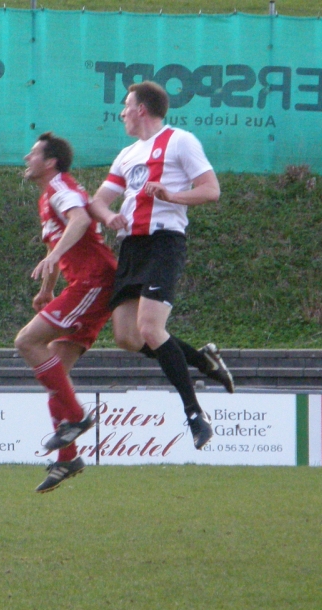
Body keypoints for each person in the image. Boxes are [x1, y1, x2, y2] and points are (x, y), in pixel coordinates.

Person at [89, 81, 234, 451]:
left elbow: (211, 190)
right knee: (127, 337)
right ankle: (202, 360)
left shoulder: (180, 141)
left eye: (126, 105)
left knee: (150, 329)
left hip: (164, 242)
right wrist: (108, 216)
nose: (121, 112)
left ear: (141, 109)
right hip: (132, 247)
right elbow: (98, 201)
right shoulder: (126, 154)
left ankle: (195, 415)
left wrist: (172, 195)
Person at [14, 132, 117, 493]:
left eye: (33, 153)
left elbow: (80, 220)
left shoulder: (60, 186)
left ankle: (76, 417)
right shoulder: (47, 197)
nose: (26, 158)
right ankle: (67, 458)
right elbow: (56, 245)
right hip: (86, 283)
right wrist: (47, 289)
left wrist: (56, 256)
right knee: (56, 370)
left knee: (27, 341)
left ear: (50, 162)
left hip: (94, 282)